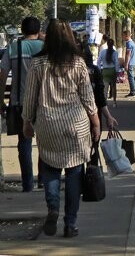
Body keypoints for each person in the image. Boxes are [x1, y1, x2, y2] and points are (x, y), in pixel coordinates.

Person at [22, 19, 101, 238]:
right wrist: (96, 123)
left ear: (47, 36)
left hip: (47, 126)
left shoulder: (37, 64)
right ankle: (71, 224)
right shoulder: (78, 63)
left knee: (50, 169)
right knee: (75, 173)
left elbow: (30, 99)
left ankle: (53, 207)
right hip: (75, 126)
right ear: (69, 37)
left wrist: (27, 122)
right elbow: (88, 97)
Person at [0, 16, 44, 192]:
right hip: (44, 104)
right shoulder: (45, 48)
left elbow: (2, 76)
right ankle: (43, 180)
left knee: (24, 144)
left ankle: (28, 185)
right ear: (38, 30)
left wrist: (1, 100)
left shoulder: (14, 47)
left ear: (23, 30)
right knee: (45, 143)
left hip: (20, 103)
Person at [98, 37, 120, 105]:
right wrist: (117, 71)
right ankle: (114, 102)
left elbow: (98, 62)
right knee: (113, 87)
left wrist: (99, 70)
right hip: (112, 70)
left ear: (107, 44)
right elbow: (116, 62)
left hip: (105, 70)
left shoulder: (102, 52)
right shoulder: (115, 53)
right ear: (113, 44)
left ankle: (105, 102)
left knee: (105, 88)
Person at [122, 30, 135, 97]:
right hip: (133, 62)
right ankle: (133, 91)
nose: (122, 37)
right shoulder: (132, 42)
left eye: (123, 35)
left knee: (130, 78)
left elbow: (128, 54)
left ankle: (133, 92)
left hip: (130, 63)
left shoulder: (129, 43)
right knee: (131, 77)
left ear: (126, 36)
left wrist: (126, 64)